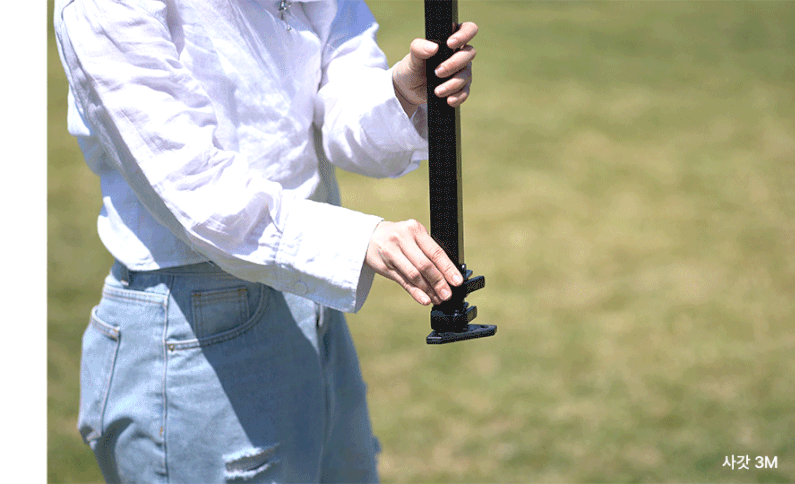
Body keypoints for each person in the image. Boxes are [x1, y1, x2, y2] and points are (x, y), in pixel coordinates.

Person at [53, 0, 478, 481]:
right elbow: (192, 187)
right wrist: (358, 240)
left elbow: (342, 96)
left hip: (311, 304)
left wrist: (400, 94)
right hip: (192, 331)